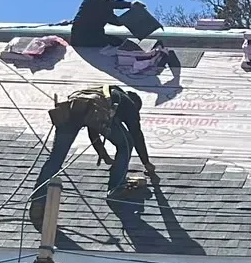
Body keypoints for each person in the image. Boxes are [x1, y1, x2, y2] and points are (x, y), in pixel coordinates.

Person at [31, 84, 159, 223]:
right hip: (89, 112)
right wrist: (146, 162)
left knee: (55, 159)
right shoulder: (129, 104)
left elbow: (93, 128)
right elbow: (136, 134)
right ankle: (117, 187)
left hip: (69, 110)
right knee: (126, 144)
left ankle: (37, 201)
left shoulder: (102, 93)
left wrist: (103, 154)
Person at [70, 0, 143, 48]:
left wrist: (134, 18)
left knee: (118, 42)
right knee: (115, 44)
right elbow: (111, 2)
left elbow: (115, 21)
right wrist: (130, 4)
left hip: (93, 36)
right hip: (82, 37)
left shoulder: (104, 6)